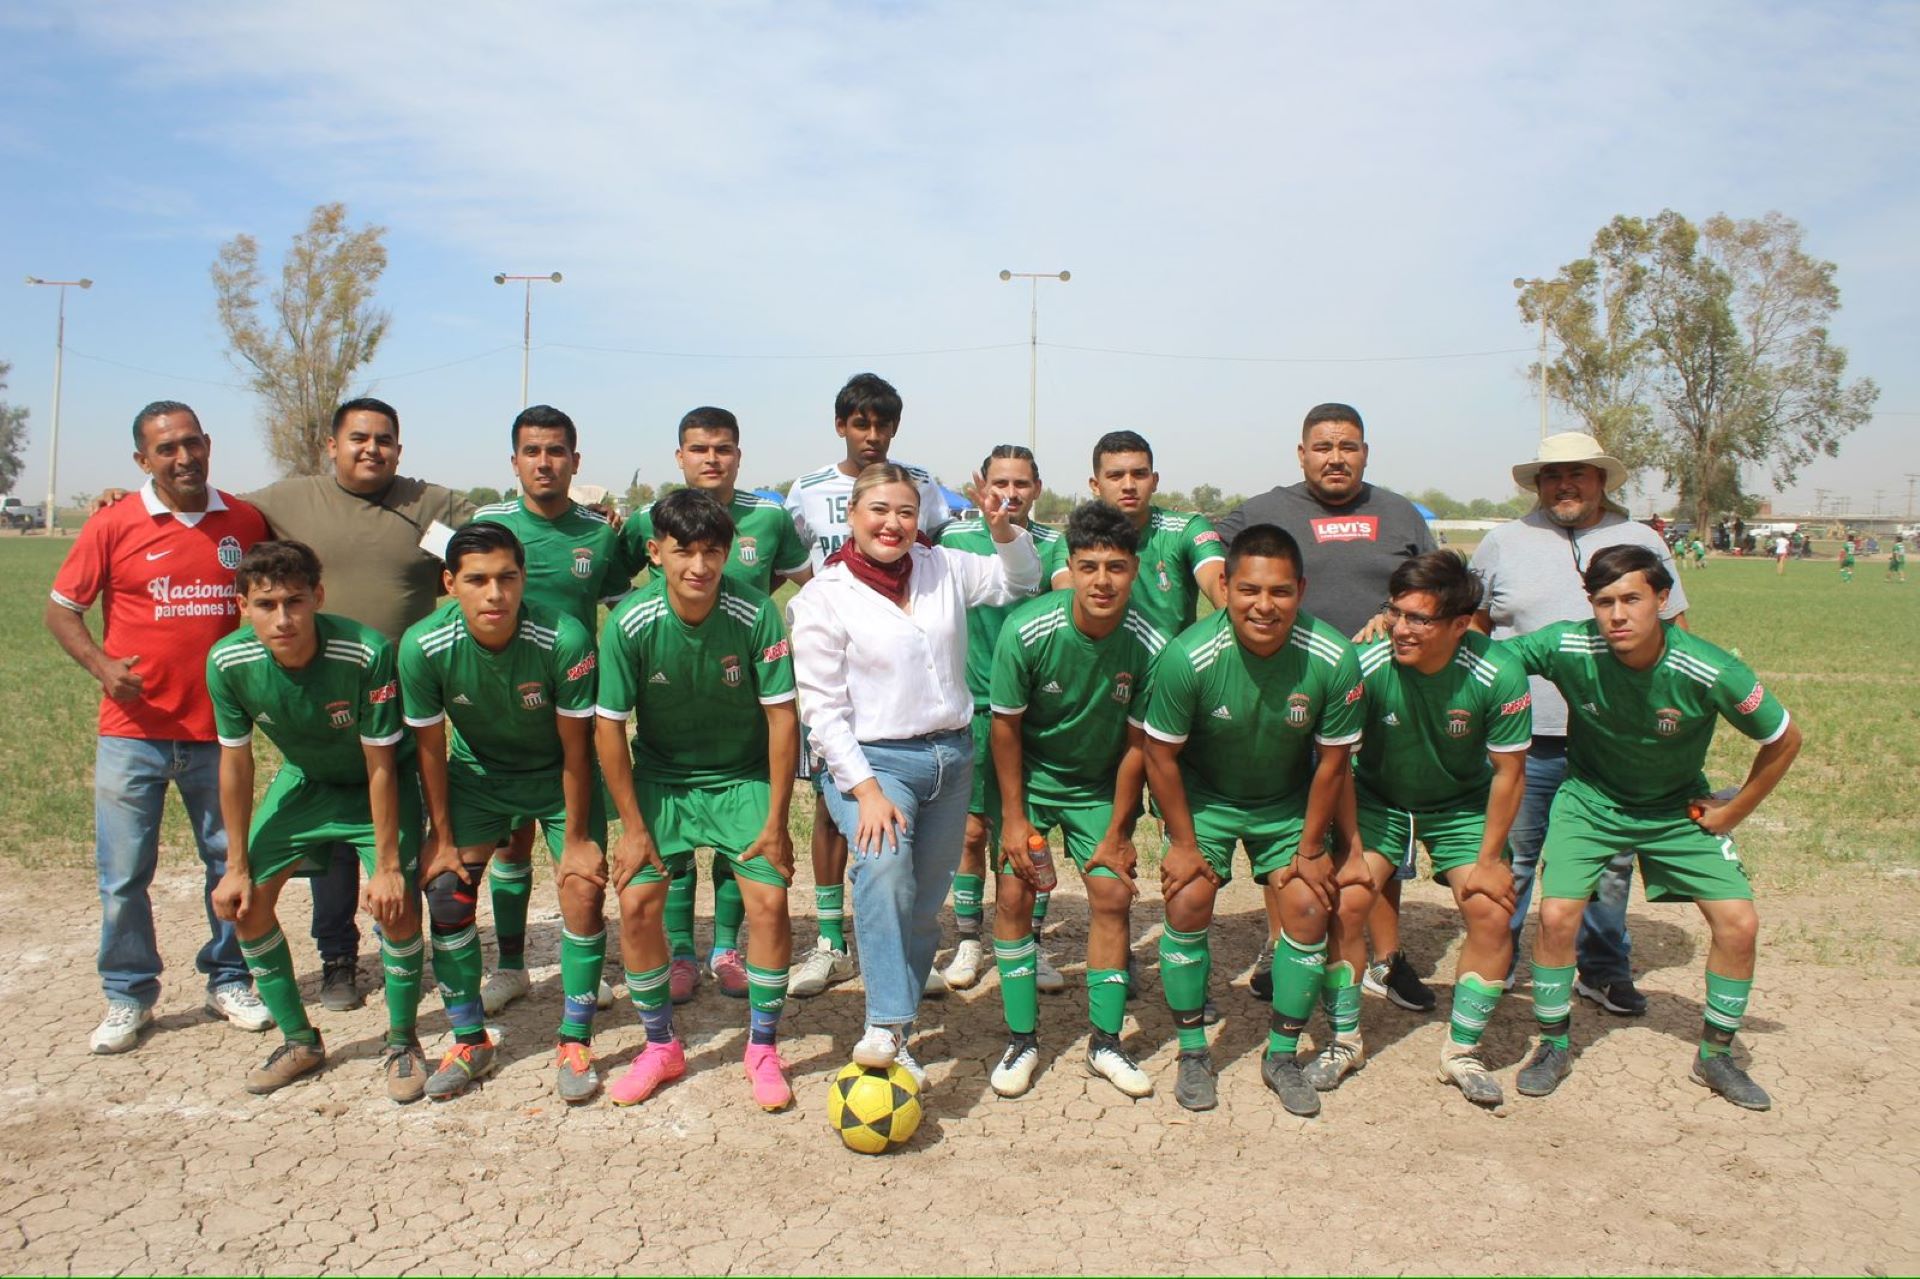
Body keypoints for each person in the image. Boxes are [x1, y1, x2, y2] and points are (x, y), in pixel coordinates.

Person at [90, 397, 475, 1012]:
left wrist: (593, 513)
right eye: (357, 438)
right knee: (325, 847)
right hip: (313, 699)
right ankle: (338, 959)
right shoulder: (286, 502)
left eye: (383, 439)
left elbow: (492, 534)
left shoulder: (431, 504)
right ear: (332, 445)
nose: (370, 448)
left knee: (393, 844)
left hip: (394, 699)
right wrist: (131, 500)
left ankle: (414, 959)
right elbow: (203, 504)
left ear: (399, 448)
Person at [1502, 546, 1801, 1111]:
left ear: (1662, 601)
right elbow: (1485, 656)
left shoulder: (1710, 668)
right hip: (1589, 802)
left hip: (1676, 810)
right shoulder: (1570, 645)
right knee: (1559, 914)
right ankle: (1552, 1044)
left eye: (1631, 599)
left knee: (1739, 922)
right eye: (1603, 602)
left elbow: (1784, 739)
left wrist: (1734, 811)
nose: (1616, 615)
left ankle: (1716, 1056)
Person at [789, 462, 1040, 1087]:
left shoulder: (944, 565)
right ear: (852, 515)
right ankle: (884, 1022)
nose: (892, 524)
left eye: (905, 511)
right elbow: (821, 709)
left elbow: (1022, 580)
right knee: (882, 868)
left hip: (951, 757)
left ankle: (896, 1035)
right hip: (873, 762)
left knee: (924, 906)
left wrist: (1003, 530)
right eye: (878, 510)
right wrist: (866, 790)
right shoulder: (823, 596)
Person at [47, 400, 274, 1053]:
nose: (182, 458)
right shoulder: (113, 523)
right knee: (123, 873)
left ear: (208, 443)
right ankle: (128, 994)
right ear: (142, 460)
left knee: (227, 862)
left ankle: (229, 978)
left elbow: (276, 592)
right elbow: (62, 611)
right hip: (132, 732)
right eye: (166, 449)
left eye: (190, 444)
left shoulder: (244, 519)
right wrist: (99, 664)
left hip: (218, 731)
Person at [1214, 403, 1438, 1012]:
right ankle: (1279, 942)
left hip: (1381, 700)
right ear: (1301, 453)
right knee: (1292, 830)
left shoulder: (1400, 513)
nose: (1335, 457)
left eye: (1348, 446)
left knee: (1377, 829)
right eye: (1323, 446)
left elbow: (1434, 587)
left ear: (1366, 451)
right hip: (1288, 697)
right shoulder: (1263, 511)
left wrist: (1394, 619)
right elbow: (1208, 547)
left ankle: (1387, 959)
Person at [1141, 525, 1363, 1115]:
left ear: (1301, 590)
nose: (1264, 606)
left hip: (1285, 802)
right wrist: (1183, 843)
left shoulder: (1333, 656)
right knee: (1187, 899)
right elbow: (1159, 756)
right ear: (1226, 588)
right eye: (1248, 590)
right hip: (1205, 799)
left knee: (1311, 907)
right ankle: (1193, 1053)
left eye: (1281, 592)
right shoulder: (1186, 656)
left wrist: (1313, 847)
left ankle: (1282, 1055)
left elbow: (1334, 761)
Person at [594, 490, 802, 1110]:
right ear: (656, 553)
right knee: (636, 901)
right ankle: (660, 1045)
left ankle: (763, 1047)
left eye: (712, 551)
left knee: (768, 899)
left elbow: (783, 718)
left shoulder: (757, 612)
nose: (699, 566)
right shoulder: (630, 621)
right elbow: (608, 726)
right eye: (683, 551)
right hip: (664, 778)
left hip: (741, 776)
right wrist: (633, 828)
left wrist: (776, 819)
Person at [1469, 432, 1689, 1017]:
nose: (1564, 485)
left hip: (1614, 739)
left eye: (1577, 474)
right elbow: (1475, 631)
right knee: (1514, 856)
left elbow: (1677, 631)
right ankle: (1499, 962)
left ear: (1601, 480)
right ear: (1537, 484)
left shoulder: (1641, 540)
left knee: (1610, 862)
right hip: (1524, 737)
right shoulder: (1502, 543)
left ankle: (1602, 969)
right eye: (1552, 475)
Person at [205, 541, 427, 1100]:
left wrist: (390, 866)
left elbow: (380, 761)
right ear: (242, 606)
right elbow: (236, 760)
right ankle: (299, 1040)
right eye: (266, 604)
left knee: (395, 904)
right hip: (306, 783)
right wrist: (233, 866)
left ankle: (402, 1041)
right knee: (245, 902)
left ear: (318, 598)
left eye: (295, 602)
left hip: (378, 783)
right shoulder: (227, 662)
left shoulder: (365, 651)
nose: (282, 618)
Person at [397, 522, 608, 1103]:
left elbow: (576, 747)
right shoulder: (422, 646)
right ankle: (470, 1040)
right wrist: (440, 839)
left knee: (584, 889)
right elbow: (430, 751)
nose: (495, 593)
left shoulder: (563, 637)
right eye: (478, 580)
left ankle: (575, 1037)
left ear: (523, 579)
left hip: (557, 776)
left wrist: (579, 838)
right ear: (450, 583)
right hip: (478, 778)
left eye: (507, 578)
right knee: (445, 890)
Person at [1311, 551, 1530, 1107]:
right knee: (1348, 899)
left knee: (1490, 908)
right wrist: (1355, 850)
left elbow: (1509, 774)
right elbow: (1336, 765)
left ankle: (1462, 1051)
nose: (1399, 628)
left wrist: (1489, 859)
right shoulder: (1365, 664)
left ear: (1460, 625)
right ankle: (1342, 1041)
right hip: (1379, 798)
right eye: (1395, 612)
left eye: (1418, 619)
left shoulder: (1497, 672)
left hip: (1459, 804)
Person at [618, 406, 810, 1002]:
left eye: (722, 448)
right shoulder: (650, 523)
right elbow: (609, 579)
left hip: (742, 707)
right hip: (670, 705)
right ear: (680, 456)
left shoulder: (770, 518)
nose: (711, 458)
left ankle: (725, 947)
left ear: (738, 454)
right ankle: (679, 951)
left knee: (741, 847)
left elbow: (812, 581)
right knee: (666, 858)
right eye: (698, 448)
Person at [985, 502, 1166, 1098]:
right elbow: (1005, 728)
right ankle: (1022, 1040)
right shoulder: (1028, 628)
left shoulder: (1149, 644)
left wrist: (1118, 832)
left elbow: (1139, 746)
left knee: (1112, 894)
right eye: (1088, 566)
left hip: (1099, 786)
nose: (1102, 581)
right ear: (1070, 566)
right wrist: (1013, 819)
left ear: (1135, 569)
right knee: (1013, 892)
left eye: (1116, 566)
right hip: (1032, 781)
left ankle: (1105, 1043)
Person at [784, 374, 954, 1001]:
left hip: (899, 662)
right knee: (839, 813)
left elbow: (942, 544)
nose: (873, 435)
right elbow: (795, 568)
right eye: (861, 423)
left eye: (883, 424)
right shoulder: (806, 491)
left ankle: (904, 953)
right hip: (839, 651)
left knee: (906, 839)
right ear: (841, 426)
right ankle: (832, 942)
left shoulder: (923, 484)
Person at [469, 405, 638, 1015]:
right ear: (514, 460)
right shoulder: (487, 521)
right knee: (510, 846)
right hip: (496, 717)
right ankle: (511, 967)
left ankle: (582, 970)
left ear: (575, 460)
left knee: (581, 849)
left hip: (573, 715)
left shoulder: (598, 532)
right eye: (532, 451)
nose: (544, 462)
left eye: (556, 451)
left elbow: (621, 608)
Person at [938, 445, 1066, 993]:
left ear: (1037, 488)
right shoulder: (952, 541)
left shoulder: (1055, 546)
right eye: (999, 483)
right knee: (970, 831)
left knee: (1026, 835)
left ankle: (1028, 944)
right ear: (982, 486)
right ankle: (969, 939)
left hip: (1032, 713)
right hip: (971, 707)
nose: (1009, 494)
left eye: (1020, 484)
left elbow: (1065, 607)